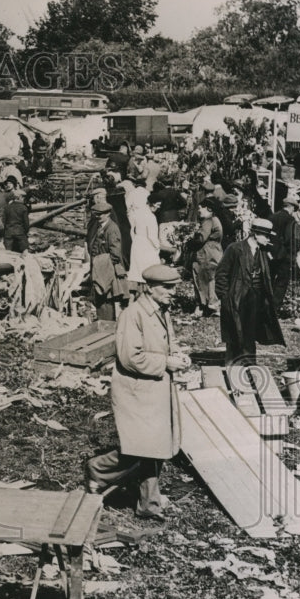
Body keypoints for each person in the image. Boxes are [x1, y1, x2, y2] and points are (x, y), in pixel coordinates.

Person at [86, 264, 187, 521]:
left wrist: (176, 354)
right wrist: (165, 362)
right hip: (136, 390)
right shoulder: (133, 314)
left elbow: (168, 340)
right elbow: (130, 357)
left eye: (174, 286)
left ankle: (148, 504)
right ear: (149, 288)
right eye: (167, 287)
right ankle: (97, 470)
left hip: (154, 389)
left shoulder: (160, 310)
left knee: (156, 446)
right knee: (141, 448)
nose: (173, 292)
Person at [215, 218, 285, 366]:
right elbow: (221, 273)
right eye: (266, 236)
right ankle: (232, 363)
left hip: (256, 297)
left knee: (250, 331)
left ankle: (249, 364)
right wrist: (225, 296)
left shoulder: (264, 252)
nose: (268, 240)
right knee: (235, 330)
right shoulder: (235, 249)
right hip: (237, 296)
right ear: (255, 234)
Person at [88, 201, 128, 320]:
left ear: (108, 214)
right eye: (96, 214)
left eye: (101, 214)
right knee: (101, 298)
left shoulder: (112, 229)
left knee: (106, 298)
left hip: (107, 269)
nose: (98, 217)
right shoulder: (100, 226)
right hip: (101, 268)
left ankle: (107, 326)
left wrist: (101, 264)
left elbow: (115, 254)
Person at [269, 195, 300, 313]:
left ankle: (265, 305)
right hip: (284, 255)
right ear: (292, 208)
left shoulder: (272, 217)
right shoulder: (291, 220)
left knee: (270, 279)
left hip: (270, 253)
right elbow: (292, 240)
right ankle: (274, 308)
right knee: (281, 282)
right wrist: (293, 254)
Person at [188, 199, 224, 316]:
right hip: (215, 252)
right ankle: (213, 305)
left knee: (201, 278)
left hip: (205, 253)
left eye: (200, 208)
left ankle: (203, 306)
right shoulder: (216, 219)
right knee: (211, 279)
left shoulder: (208, 221)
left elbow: (201, 238)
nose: (199, 211)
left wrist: (189, 242)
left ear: (208, 209)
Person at [126, 188, 161, 295]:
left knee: (139, 271)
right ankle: (147, 294)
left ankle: (138, 293)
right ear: (153, 204)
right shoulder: (151, 217)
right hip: (147, 245)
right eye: (158, 205)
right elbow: (152, 236)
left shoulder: (137, 213)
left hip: (137, 243)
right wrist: (157, 247)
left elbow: (132, 230)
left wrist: (135, 240)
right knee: (150, 271)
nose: (159, 207)